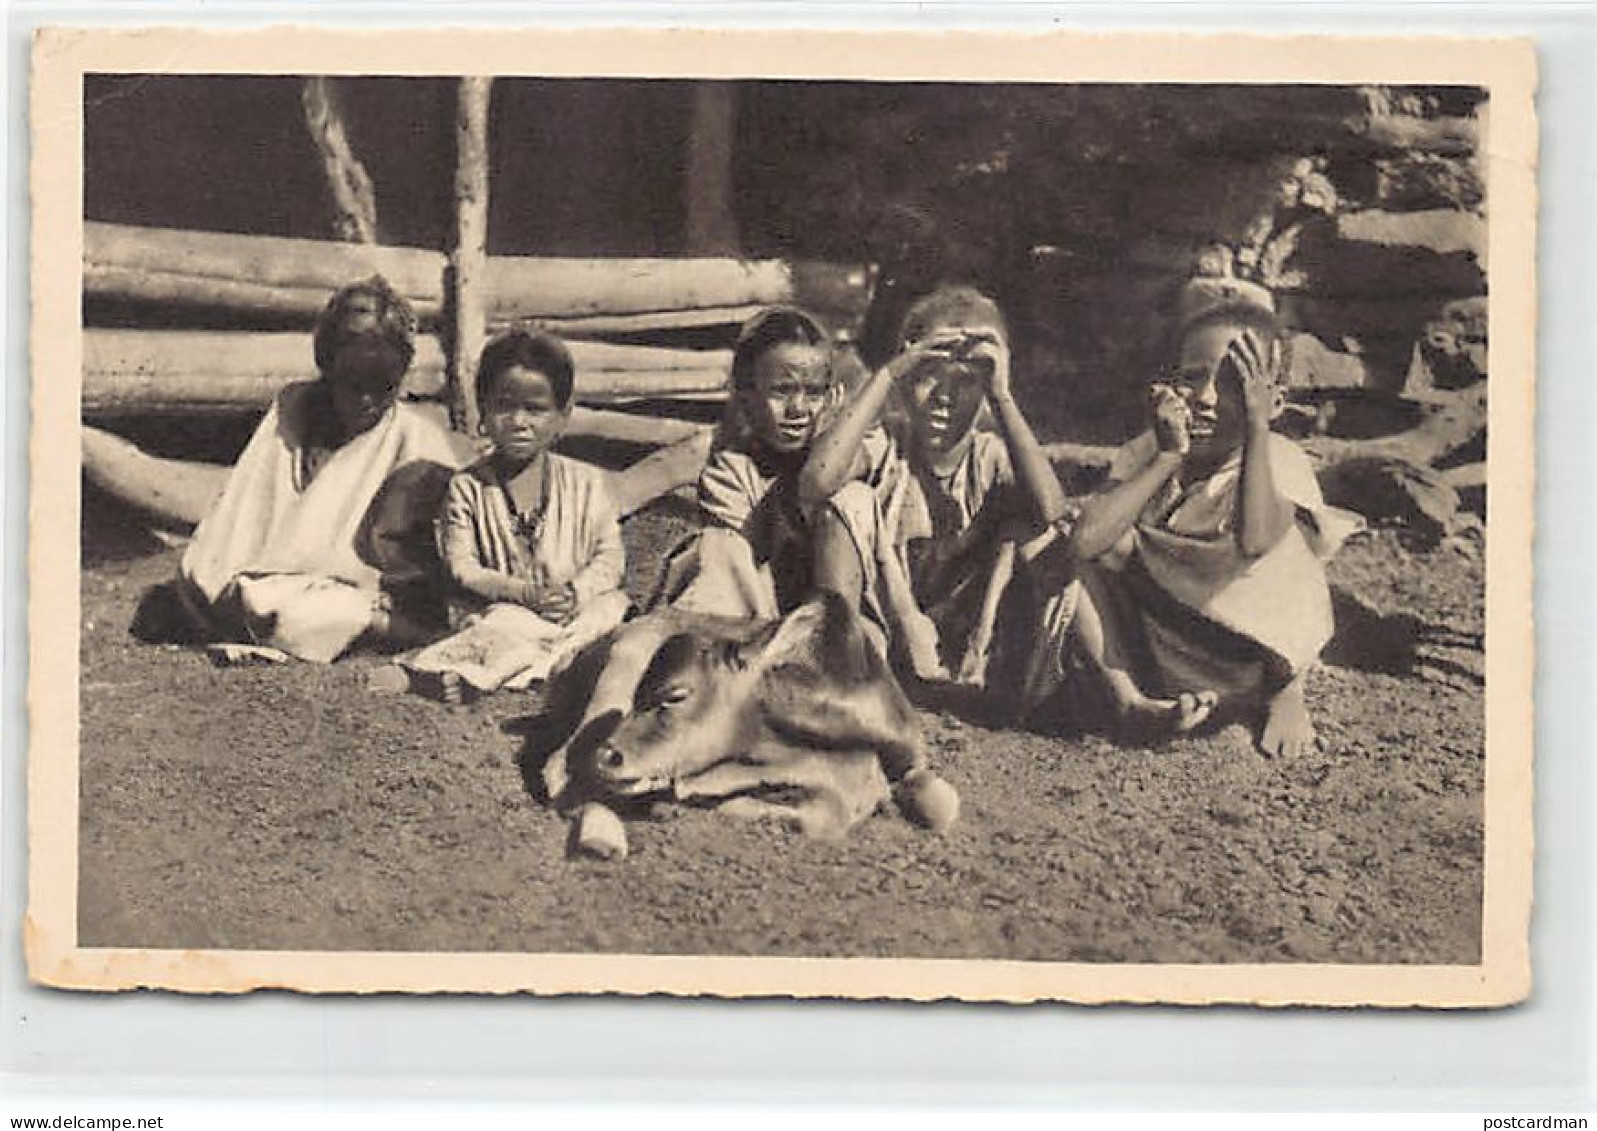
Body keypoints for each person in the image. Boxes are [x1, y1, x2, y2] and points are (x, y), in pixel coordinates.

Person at [1068, 273, 1361, 756]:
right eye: (1192, 378)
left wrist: (1257, 428)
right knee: (1077, 540)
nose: (1204, 399)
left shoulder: (1278, 458)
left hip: (1251, 652)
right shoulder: (1152, 450)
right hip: (1173, 644)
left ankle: (1283, 689)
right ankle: (1128, 699)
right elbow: (1085, 543)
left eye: (1231, 384)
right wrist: (1167, 458)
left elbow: (1256, 539)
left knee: (1289, 546)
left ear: (1273, 400)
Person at [798, 284, 1077, 703]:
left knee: (1038, 529)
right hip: (886, 638)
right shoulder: (887, 443)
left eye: (965, 383)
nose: (943, 399)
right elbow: (817, 483)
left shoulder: (989, 455)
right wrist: (888, 375)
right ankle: (839, 669)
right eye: (928, 377)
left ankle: (1000, 685)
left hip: (967, 649)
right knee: (847, 502)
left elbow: (1051, 511)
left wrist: (1001, 395)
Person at [177, 276, 462, 663]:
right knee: (200, 578)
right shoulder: (294, 407)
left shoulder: (416, 439)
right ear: (326, 365)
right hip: (266, 583)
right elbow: (241, 515)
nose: (367, 400)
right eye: (352, 384)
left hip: (348, 592)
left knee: (317, 611)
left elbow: (425, 563)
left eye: (383, 387)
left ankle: (390, 630)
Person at [397, 329, 629, 702]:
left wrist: (574, 593)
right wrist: (522, 593)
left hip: (574, 612)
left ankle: (526, 666)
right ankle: (549, 666)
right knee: (502, 625)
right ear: (483, 409)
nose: (519, 422)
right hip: (509, 610)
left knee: (612, 609)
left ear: (562, 415)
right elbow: (463, 566)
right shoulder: (467, 488)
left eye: (536, 410)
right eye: (504, 407)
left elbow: (609, 555)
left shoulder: (587, 483)